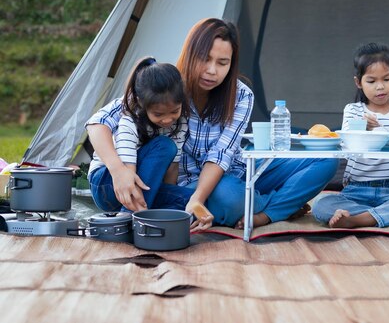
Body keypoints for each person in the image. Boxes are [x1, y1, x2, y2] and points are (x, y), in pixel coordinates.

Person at [87, 18, 338, 231]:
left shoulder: (241, 95)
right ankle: (275, 204)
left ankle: (266, 211)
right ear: (189, 53)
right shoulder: (164, 84)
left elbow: (222, 155)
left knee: (326, 160)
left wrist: (198, 199)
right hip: (194, 185)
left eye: (222, 63)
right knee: (230, 199)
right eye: (205, 59)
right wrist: (118, 170)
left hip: (233, 171)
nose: (212, 71)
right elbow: (98, 123)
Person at [312, 43, 389, 228]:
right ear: (358, 82)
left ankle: (359, 219)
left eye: (386, 79)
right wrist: (363, 127)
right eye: (371, 81)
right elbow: (347, 141)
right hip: (356, 190)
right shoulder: (353, 110)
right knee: (321, 205)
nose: (380, 87)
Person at [86, 57, 190, 212]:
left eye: (174, 111)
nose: (168, 119)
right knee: (164, 146)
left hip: (143, 185)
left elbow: (172, 169)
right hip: (108, 183)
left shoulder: (180, 123)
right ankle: (130, 217)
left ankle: (145, 214)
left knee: (192, 201)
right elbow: (128, 171)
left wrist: (169, 196)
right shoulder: (129, 119)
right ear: (142, 103)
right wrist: (118, 171)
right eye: (158, 114)